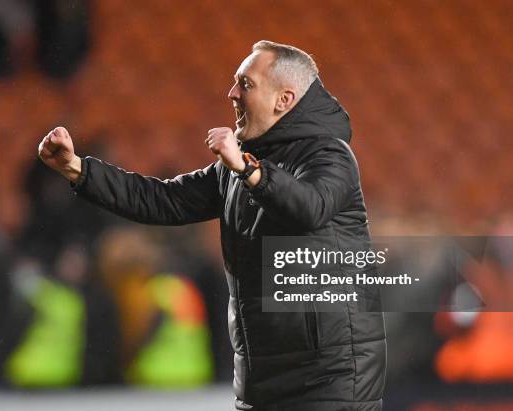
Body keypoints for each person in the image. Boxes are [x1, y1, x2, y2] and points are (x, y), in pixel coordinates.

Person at [38, 40, 386, 411]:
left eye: (246, 84)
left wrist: (250, 171)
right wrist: (79, 169)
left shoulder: (328, 154)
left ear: (283, 100)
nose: (232, 93)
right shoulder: (237, 166)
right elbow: (161, 200)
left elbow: (310, 208)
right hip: (260, 379)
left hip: (329, 379)